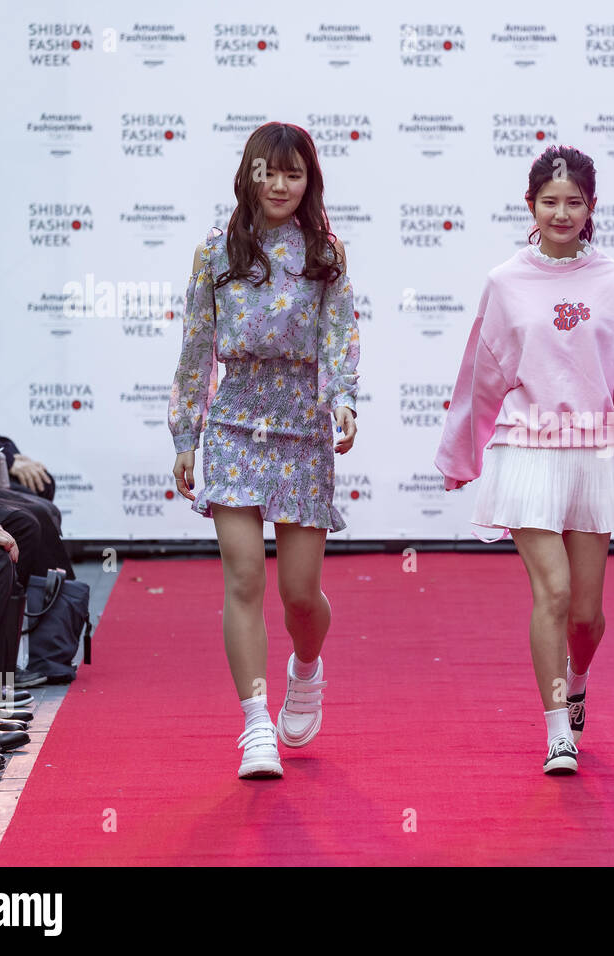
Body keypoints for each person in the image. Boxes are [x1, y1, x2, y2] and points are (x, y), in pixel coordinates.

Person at [436, 145, 614, 775]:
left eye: (574, 202)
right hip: (525, 449)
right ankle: (556, 732)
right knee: (555, 590)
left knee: (587, 616)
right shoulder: (506, 282)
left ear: (592, 207)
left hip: (592, 454)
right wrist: (461, 453)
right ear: (531, 206)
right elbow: (481, 376)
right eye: (550, 202)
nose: (562, 213)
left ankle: (577, 683)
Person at [167, 122, 359, 780]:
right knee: (244, 576)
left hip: (302, 428)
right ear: (249, 175)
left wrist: (343, 401)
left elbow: (338, 339)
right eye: (268, 172)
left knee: (300, 594)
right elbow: (195, 350)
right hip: (232, 424)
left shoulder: (325, 253)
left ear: (309, 183)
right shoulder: (212, 255)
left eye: (293, 174)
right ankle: (255, 726)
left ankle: (306, 669)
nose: (279, 185)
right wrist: (186, 434)